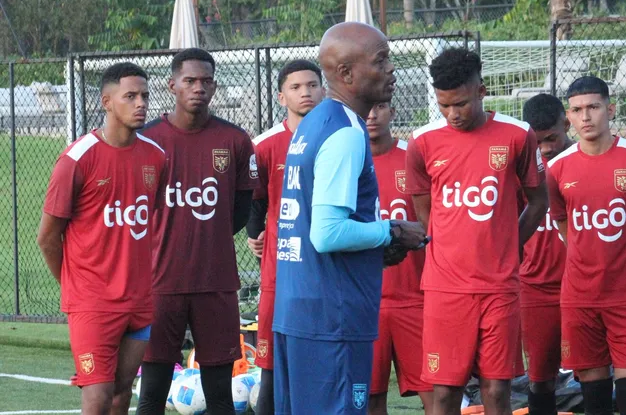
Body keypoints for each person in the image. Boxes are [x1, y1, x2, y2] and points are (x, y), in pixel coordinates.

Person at [272, 22, 427, 415]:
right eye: (381, 60)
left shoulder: (314, 121)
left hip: (300, 310)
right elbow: (326, 233)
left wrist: (375, 246)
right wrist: (391, 231)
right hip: (332, 319)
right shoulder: (344, 132)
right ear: (346, 74)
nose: (391, 69)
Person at [406, 47, 549, 415]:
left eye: (461, 104)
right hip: (445, 286)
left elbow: (538, 201)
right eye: (444, 105)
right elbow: (424, 208)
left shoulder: (517, 135)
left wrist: (509, 245)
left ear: (481, 91)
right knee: (445, 392)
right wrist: (447, 244)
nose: (452, 114)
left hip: (498, 286)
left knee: (498, 390)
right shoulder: (422, 142)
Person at [37, 63, 166, 415]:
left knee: (122, 393)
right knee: (97, 396)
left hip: (139, 299)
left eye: (144, 96)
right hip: (92, 302)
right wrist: (75, 285)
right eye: (130, 96)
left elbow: (151, 219)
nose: (141, 103)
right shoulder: (76, 159)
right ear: (107, 101)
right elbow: (47, 237)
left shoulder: (156, 157)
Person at [136, 49, 258, 415]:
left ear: (215, 86)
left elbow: (238, 211)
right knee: (152, 394)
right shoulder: (147, 139)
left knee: (220, 396)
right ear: (172, 85)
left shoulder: (235, 140)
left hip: (215, 283)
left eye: (206, 81)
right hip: (159, 284)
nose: (198, 88)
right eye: (189, 81)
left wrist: (209, 237)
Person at [545, 77, 626, 415]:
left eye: (593, 107)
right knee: (594, 398)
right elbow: (564, 223)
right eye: (577, 110)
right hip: (580, 296)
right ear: (568, 117)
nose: (586, 117)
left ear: (611, 109)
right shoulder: (558, 168)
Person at [246, 59, 324, 414]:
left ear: (323, 90)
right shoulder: (265, 145)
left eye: (311, 85)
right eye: (296, 87)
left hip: (327, 271)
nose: (305, 92)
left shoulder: (339, 136)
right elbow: (253, 197)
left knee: (321, 366)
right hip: (281, 272)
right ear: (281, 96)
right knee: (271, 368)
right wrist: (253, 233)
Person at [366, 101, 434, 415]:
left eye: (379, 107)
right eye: (366, 107)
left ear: (393, 111)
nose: (371, 114)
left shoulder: (413, 157)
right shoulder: (346, 162)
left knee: (436, 392)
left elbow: (434, 222)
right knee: (369, 396)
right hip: (364, 302)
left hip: (416, 298)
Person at [518, 93, 571, 415]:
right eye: (539, 142)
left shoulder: (581, 162)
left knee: (598, 373)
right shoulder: (518, 169)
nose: (547, 147)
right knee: (540, 379)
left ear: (566, 124)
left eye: (553, 138)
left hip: (582, 285)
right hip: (534, 288)